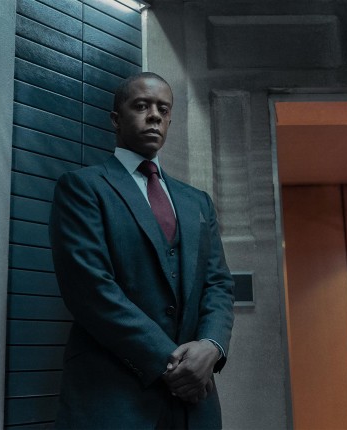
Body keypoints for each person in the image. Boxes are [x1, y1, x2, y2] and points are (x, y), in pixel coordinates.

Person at [49, 72, 235, 429]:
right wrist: (175, 366)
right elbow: (90, 290)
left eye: (163, 109)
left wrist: (211, 347)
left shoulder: (197, 202)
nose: (154, 116)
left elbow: (218, 285)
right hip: (112, 397)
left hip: (195, 406)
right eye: (141, 106)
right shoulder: (83, 188)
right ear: (116, 119)